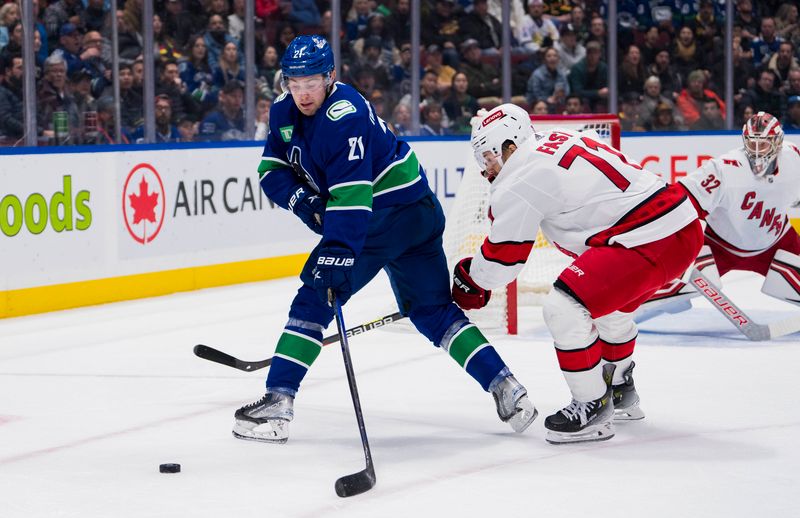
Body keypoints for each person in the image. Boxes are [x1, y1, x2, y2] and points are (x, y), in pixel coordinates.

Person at [233, 35, 537, 444]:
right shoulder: (284, 112)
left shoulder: (345, 115)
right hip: (417, 213)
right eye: (294, 82)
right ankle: (507, 389)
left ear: (330, 77)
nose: (303, 92)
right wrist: (306, 205)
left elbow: (353, 196)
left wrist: (339, 254)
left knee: (315, 297)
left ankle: (278, 402)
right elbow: (271, 170)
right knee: (432, 311)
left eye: (311, 82)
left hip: (384, 216)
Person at [452, 103, 702, 444]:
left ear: (511, 145)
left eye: (489, 156)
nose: (486, 169)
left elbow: (504, 261)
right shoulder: (557, 137)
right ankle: (619, 391)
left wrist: (472, 280)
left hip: (647, 238)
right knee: (608, 309)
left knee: (564, 307)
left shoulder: (519, 176)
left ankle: (592, 406)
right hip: (679, 225)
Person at [649, 112, 800, 311]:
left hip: (777, 242)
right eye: (751, 143)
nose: (756, 151)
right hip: (718, 246)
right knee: (662, 287)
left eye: (763, 143)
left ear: (778, 142)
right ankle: (623, 310)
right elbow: (682, 200)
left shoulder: (794, 157)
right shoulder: (724, 168)